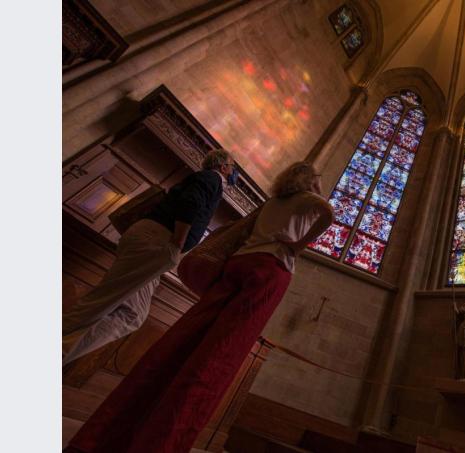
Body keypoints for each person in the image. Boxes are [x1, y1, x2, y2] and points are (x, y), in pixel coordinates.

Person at [65, 161, 334, 453]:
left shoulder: (273, 202)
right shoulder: (296, 197)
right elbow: (328, 213)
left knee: (171, 340)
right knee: (217, 359)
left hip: (237, 264)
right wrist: (298, 246)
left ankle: (103, 437)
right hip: (269, 269)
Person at [62, 149, 236, 365]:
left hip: (156, 245)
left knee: (132, 315)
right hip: (158, 241)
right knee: (100, 303)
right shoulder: (212, 178)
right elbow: (191, 202)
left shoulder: (211, 182)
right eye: (232, 166)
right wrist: (178, 242)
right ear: (223, 167)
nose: (233, 171)